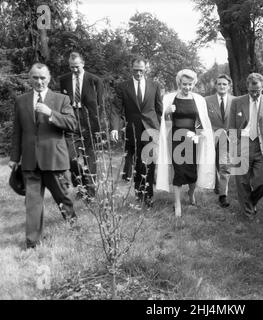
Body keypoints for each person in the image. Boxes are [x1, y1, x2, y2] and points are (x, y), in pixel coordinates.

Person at [9, 63, 77, 249]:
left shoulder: (61, 99)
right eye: (35, 77)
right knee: (32, 203)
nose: (39, 81)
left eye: (42, 78)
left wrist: (51, 114)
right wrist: (15, 157)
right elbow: (17, 132)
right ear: (30, 78)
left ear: (49, 78)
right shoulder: (21, 101)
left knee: (62, 197)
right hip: (30, 161)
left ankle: (73, 224)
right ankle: (32, 241)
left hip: (54, 159)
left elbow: (72, 124)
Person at [156, 69, 215, 217]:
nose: (187, 87)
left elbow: (203, 121)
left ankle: (191, 192)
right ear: (179, 83)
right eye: (184, 84)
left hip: (192, 137)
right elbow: (160, 118)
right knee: (179, 170)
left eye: (190, 84)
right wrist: (167, 112)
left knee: (191, 169)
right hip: (175, 137)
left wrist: (203, 136)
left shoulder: (199, 100)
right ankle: (177, 204)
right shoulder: (169, 98)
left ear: (194, 84)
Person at [110, 56, 163, 208]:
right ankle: (140, 195)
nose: (138, 73)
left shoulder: (155, 86)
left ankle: (149, 196)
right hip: (132, 130)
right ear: (131, 68)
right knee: (137, 163)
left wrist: (158, 127)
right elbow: (116, 109)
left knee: (150, 164)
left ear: (146, 69)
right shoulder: (123, 87)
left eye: (141, 70)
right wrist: (115, 127)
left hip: (151, 130)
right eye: (135, 70)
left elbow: (159, 109)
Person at [228, 73, 263, 220]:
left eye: (258, 90)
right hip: (242, 144)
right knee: (242, 182)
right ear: (247, 88)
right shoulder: (237, 102)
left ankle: (251, 201)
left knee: (262, 182)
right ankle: (248, 212)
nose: (255, 93)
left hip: (262, 146)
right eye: (252, 91)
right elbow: (231, 127)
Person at [59, 52, 104, 198]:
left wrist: (98, 126)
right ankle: (81, 184)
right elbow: (63, 103)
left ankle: (90, 193)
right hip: (71, 122)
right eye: (72, 67)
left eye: (77, 66)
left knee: (90, 158)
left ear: (83, 64)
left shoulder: (95, 81)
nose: (75, 70)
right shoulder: (64, 80)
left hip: (89, 123)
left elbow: (100, 105)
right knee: (69, 158)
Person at [205, 74, 234, 208]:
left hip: (228, 138)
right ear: (215, 86)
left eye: (224, 84)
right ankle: (218, 185)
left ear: (229, 86)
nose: (222, 86)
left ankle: (223, 195)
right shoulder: (207, 100)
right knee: (215, 164)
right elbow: (202, 120)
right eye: (219, 84)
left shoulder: (235, 101)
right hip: (212, 138)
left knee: (224, 166)